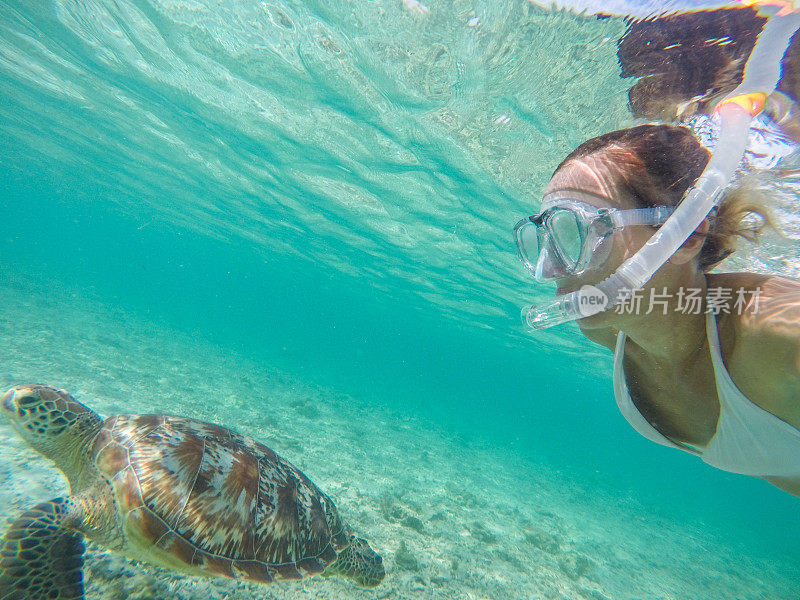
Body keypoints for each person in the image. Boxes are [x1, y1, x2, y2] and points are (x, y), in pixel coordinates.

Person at [513, 123, 800, 496]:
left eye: (577, 232)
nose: (550, 268)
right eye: (548, 239)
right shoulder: (607, 328)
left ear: (687, 235)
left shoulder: (780, 340)